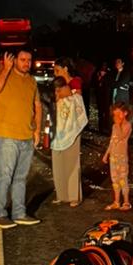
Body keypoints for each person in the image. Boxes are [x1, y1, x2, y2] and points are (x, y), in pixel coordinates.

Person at [0, 49, 43, 229]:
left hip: (26, 136)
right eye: (22, 59)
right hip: (7, 136)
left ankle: (19, 213)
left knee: (20, 177)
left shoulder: (32, 81)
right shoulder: (4, 74)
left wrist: (37, 130)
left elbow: (37, 105)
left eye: (29, 60)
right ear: (15, 61)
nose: (26, 63)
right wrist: (5, 69)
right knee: (5, 176)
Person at [51, 75, 87, 206]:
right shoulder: (54, 99)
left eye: (59, 90)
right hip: (57, 136)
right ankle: (61, 194)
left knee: (72, 165)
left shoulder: (75, 97)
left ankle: (74, 196)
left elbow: (80, 114)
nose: (57, 93)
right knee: (58, 165)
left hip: (72, 134)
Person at [102, 102, 132, 209]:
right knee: (115, 180)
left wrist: (118, 125)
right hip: (113, 157)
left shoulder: (127, 125)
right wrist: (106, 154)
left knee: (123, 179)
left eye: (119, 114)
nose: (117, 117)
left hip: (122, 157)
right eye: (115, 115)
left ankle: (126, 202)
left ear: (125, 113)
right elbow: (112, 141)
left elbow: (120, 137)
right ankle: (116, 201)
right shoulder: (114, 126)